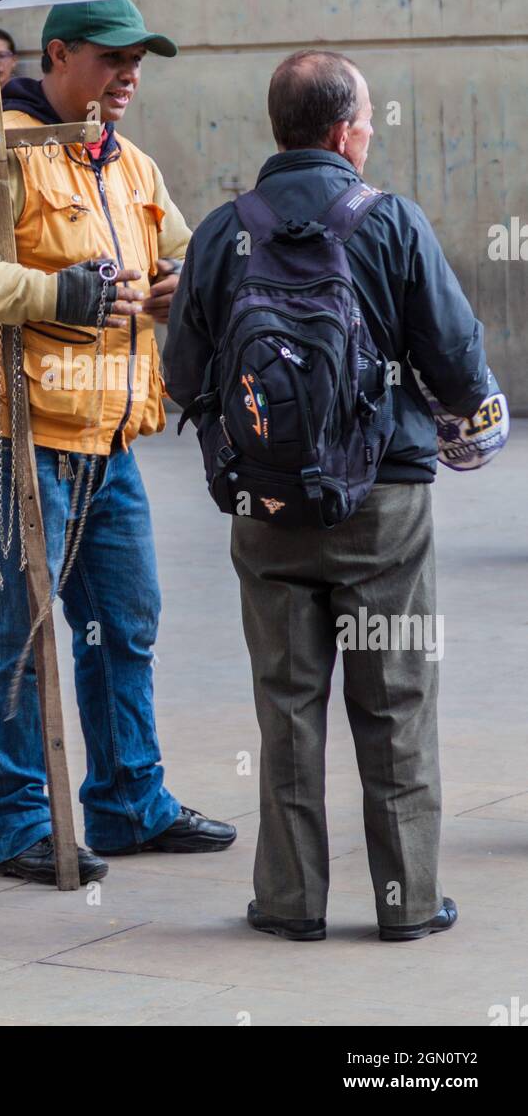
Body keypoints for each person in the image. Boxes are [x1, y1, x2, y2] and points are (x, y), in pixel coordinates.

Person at [0, 0, 236, 885]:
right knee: (18, 626)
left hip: (108, 433)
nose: (130, 76)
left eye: (139, 62)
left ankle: (130, 801)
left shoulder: (130, 164)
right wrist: (55, 296)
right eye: (112, 58)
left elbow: (183, 254)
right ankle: (16, 824)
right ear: (56, 59)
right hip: (2, 431)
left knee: (125, 622)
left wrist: (175, 290)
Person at [164, 50, 490, 941]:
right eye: (371, 118)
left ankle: (289, 903)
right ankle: (407, 903)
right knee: (397, 708)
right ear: (344, 130)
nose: (373, 132)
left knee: (287, 707)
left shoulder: (223, 231)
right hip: (384, 509)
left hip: (264, 513)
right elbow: (459, 364)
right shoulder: (393, 224)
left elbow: (182, 376)